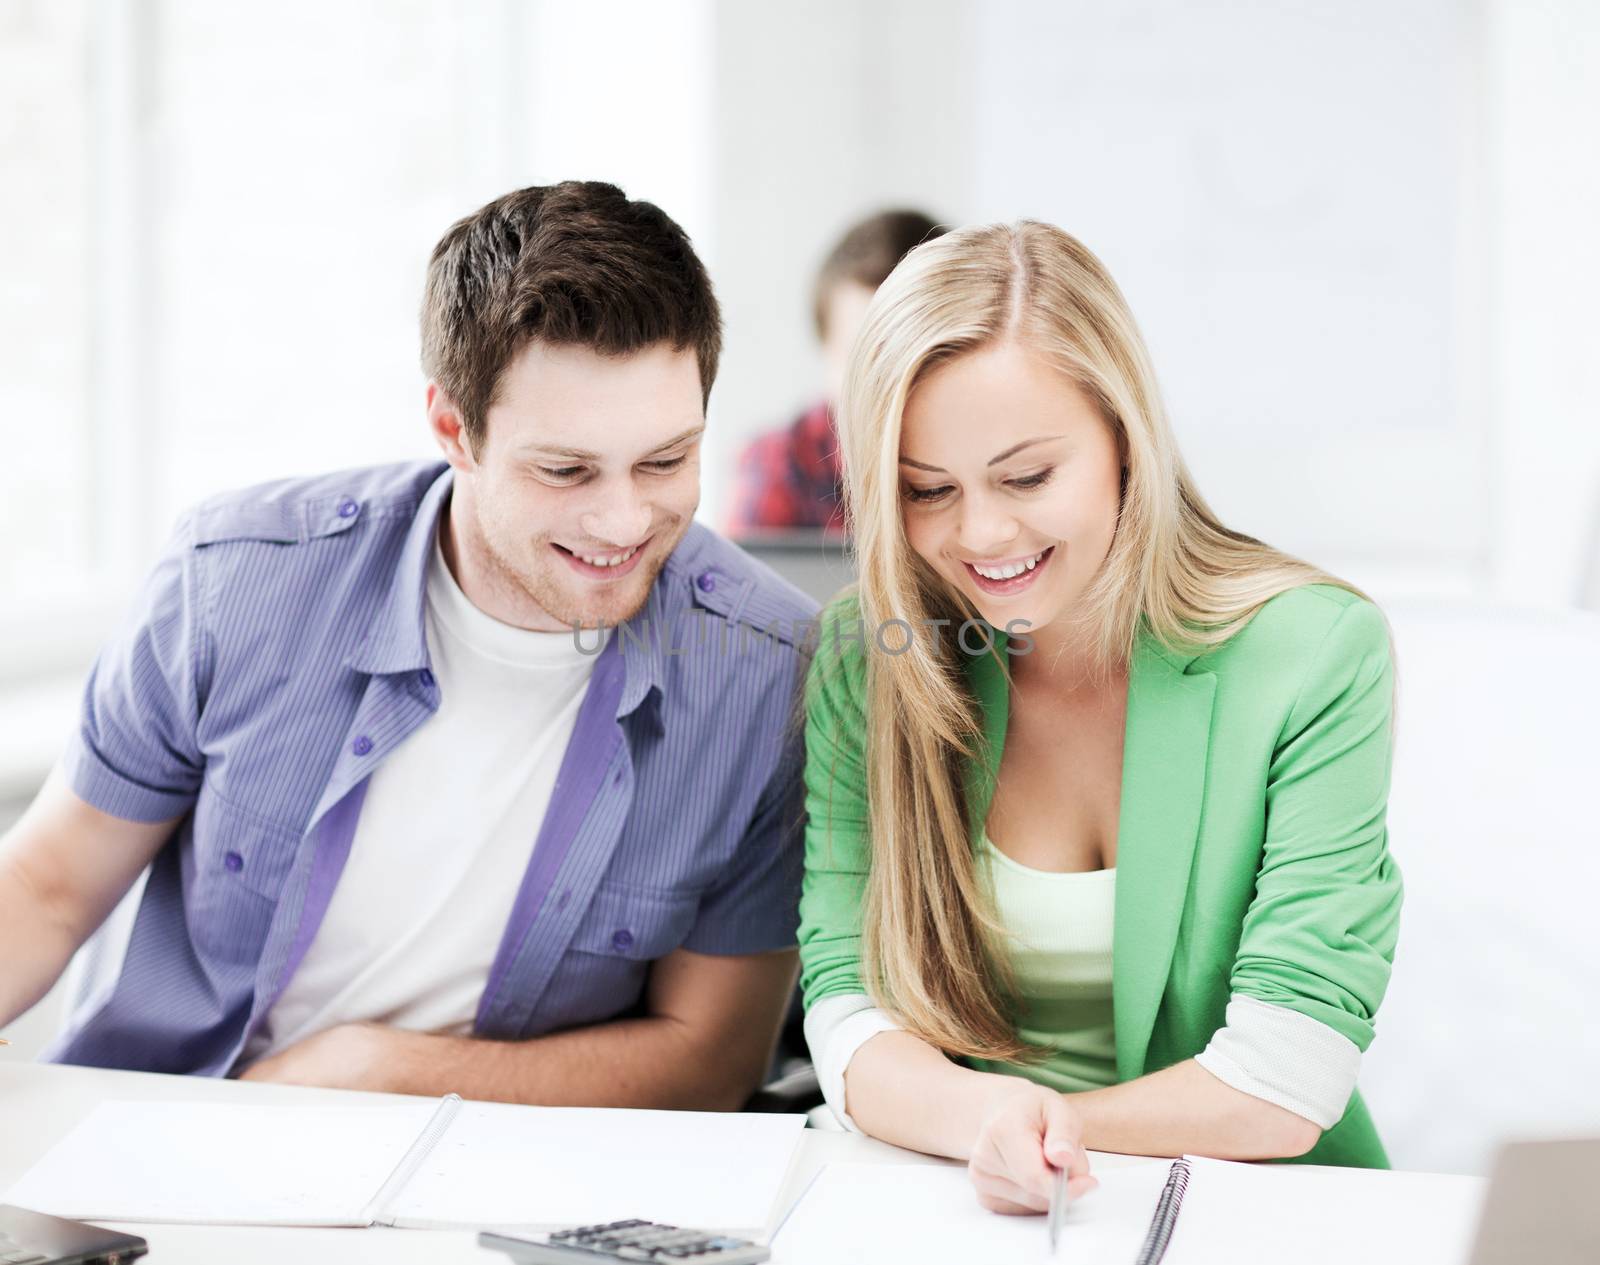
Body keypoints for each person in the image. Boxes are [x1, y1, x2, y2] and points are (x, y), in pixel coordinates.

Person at [0, 182, 815, 1110]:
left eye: (666, 461)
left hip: (503, 1180)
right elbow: (48, 884)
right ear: (452, 430)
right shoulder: (236, 583)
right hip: (172, 1137)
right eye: (565, 469)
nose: (625, 518)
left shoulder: (766, 673)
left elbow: (710, 1062)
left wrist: (377, 1072)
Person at [799, 221, 1402, 1213]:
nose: (982, 532)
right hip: (957, 1210)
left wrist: (1027, 1132)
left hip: (1253, 1213)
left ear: (1124, 438)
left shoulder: (1313, 652)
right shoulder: (868, 659)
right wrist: (982, 1131)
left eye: (1027, 476)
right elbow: (848, 1011)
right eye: (925, 490)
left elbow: (1285, 1076)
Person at [727, 209, 944, 535]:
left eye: (912, 358)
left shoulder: (986, 452)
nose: (885, 386)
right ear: (826, 350)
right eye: (859, 360)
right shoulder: (781, 460)